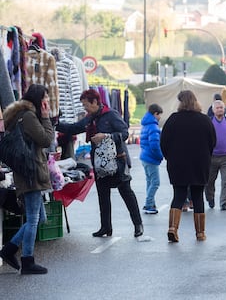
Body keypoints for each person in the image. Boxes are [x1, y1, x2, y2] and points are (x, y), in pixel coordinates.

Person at [56, 89, 144, 237]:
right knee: (103, 195)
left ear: (95, 102)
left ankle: (138, 225)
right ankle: (106, 227)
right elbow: (74, 128)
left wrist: (106, 136)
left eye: (86, 105)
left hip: (117, 161)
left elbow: (124, 133)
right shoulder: (91, 118)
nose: (85, 108)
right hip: (100, 163)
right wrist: (54, 124)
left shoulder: (111, 115)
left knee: (126, 193)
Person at [0, 84, 54, 274]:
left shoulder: (20, 115)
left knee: (39, 218)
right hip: (31, 172)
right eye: (46, 98)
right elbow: (46, 140)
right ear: (39, 99)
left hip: (27, 171)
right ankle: (27, 261)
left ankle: (9, 249)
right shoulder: (29, 116)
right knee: (33, 219)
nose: (47, 101)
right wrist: (46, 119)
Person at [160, 90, 216, 242]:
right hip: (199, 163)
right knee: (198, 196)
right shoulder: (204, 120)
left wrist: (169, 157)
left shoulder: (173, 120)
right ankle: (200, 233)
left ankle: (173, 228)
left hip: (178, 164)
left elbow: (163, 142)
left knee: (178, 195)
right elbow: (213, 142)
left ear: (181, 103)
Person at [205, 100, 226, 211]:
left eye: (221, 107)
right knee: (210, 181)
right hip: (212, 158)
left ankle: (224, 202)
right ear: (213, 110)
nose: (220, 109)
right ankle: (210, 198)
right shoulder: (208, 122)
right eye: (217, 108)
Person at [140, 103, 163, 214]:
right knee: (155, 182)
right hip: (151, 158)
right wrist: (160, 156)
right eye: (159, 115)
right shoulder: (154, 127)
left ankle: (151, 204)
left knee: (149, 182)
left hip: (144, 157)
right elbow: (154, 145)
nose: (160, 118)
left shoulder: (145, 125)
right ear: (155, 113)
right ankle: (149, 204)